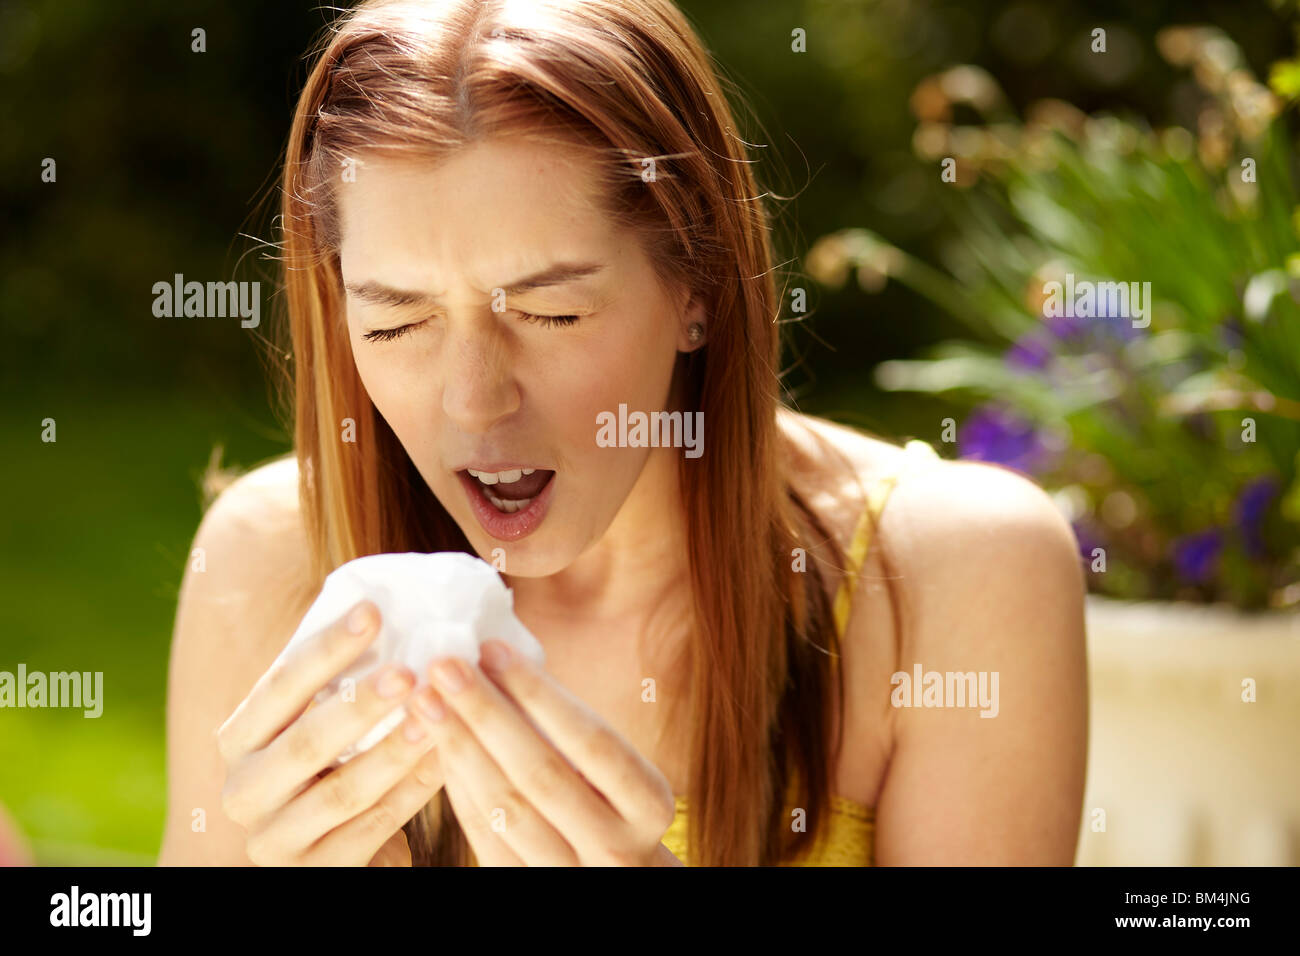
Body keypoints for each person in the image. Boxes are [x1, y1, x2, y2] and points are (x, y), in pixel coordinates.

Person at [157, 0, 1086, 867]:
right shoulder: (271, 562)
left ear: (696, 288)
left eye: (553, 312)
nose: (474, 403)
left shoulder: (954, 576)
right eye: (396, 323)